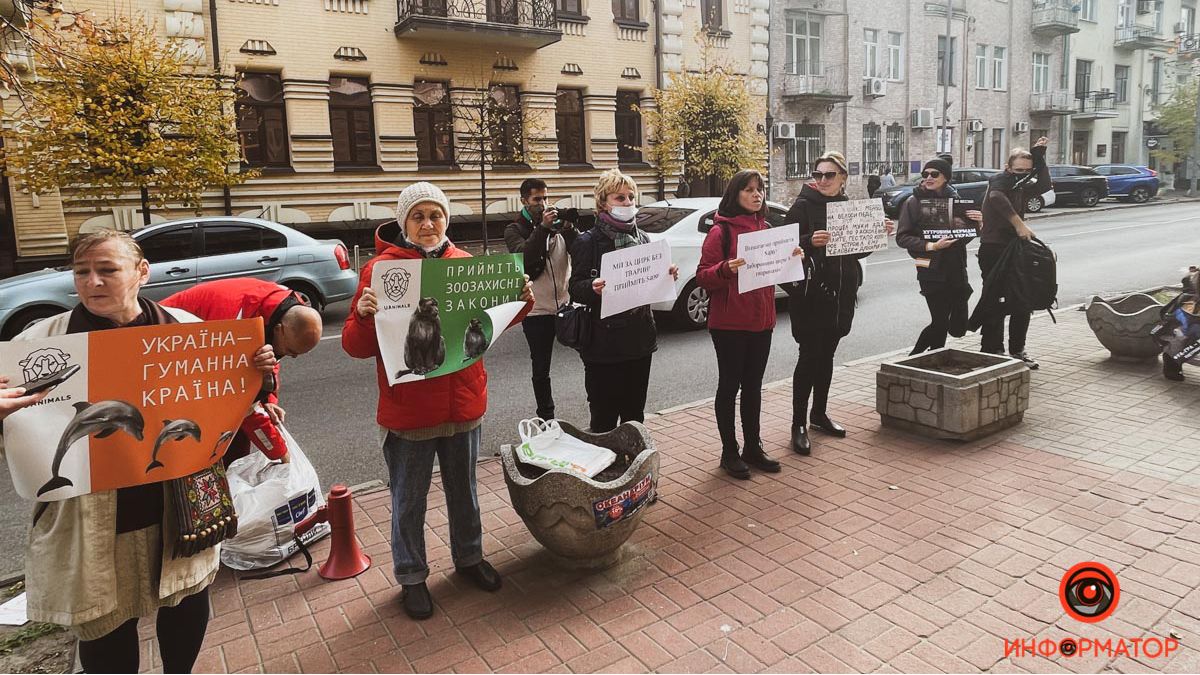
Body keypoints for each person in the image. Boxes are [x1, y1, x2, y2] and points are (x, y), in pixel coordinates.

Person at [0, 230, 276, 673]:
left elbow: (226, 410)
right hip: (92, 517)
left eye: (107, 270)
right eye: (82, 272)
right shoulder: (38, 344)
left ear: (141, 273)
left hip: (176, 506)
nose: (92, 282)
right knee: (104, 626)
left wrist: (255, 373)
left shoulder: (186, 331)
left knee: (186, 601)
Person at [342, 182, 533, 621]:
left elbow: (488, 327)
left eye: (435, 215)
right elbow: (355, 346)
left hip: (463, 402)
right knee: (409, 499)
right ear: (404, 222)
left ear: (446, 220)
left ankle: (469, 559)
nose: (428, 224)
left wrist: (520, 303)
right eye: (418, 216)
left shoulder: (465, 265)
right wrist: (364, 316)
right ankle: (412, 577)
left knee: (464, 491)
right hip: (410, 410)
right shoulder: (380, 271)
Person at [783, 152, 894, 455]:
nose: (821, 180)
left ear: (843, 177)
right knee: (808, 358)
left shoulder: (848, 208)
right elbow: (782, 251)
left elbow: (854, 254)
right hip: (811, 299)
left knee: (828, 355)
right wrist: (808, 242)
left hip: (841, 297)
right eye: (817, 174)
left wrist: (875, 235)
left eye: (828, 175)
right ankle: (798, 423)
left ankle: (819, 414)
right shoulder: (803, 206)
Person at [695, 169, 802, 479]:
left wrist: (794, 257)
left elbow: (779, 273)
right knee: (729, 386)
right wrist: (725, 269)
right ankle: (729, 451)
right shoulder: (721, 232)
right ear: (735, 195)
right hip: (729, 324)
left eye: (760, 190)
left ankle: (752, 447)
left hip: (761, 320)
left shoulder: (767, 228)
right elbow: (704, 276)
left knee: (753, 387)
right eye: (749, 190)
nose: (758, 195)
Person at [162, 278, 324, 463]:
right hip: (164, 350)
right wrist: (282, 456)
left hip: (195, 347)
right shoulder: (237, 327)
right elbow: (243, 403)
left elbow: (270, 357)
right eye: (291, 351)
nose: (293, 357)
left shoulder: (287, 309)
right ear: (279, 330)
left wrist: (269, 399)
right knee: (210, 442)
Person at [568, 169, 677, 433]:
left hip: (639, 340)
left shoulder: (643, 238)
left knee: (634, 416)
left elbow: (650, 284)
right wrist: (592, 287)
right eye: (620, 198)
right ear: (603, 202)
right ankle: (606, 471)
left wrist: (667, 275)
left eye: (631, 198)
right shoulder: (588, 241)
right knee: (604, 419)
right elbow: (575, 288)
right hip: (603, 345)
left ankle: (633, 469)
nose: (628, 204)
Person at [503, 178, 577, 421]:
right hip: (536, 312)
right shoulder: (515, 229)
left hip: (565, 306)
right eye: (537, 199)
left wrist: (571, 229)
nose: (543, 203)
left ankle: (594, 403)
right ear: (524, 200)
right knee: (541, 368)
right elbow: (523, 257)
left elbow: (581, 250)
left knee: (590, 352)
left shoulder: (556, 225)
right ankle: (546, 417)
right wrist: (542, 229)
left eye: (545, 198)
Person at [976, 136, 1051, 369]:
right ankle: (993, 350)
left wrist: (1039, 159)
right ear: (1008, 168)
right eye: (1018, 170)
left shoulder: (1023, 185)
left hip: (1018, 250)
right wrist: (1018, 224)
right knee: (996, 300)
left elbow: (1045, 185)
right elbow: (997, 197)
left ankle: (1017, 350)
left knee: (1022, 301)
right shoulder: (999, 180)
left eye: (1027, 171)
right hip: (993, 248)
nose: (1022, 175)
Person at [895, 157, 984, 354]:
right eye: (925, 174)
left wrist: (978, 225)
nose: (928, 177)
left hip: (956, 267)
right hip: (929, 268)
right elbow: (902, 238)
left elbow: (962, 237)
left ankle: (932, 357)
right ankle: (916, 358)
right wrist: (932, 246)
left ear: (945, 178)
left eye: (934, 174)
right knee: (940, 320)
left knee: (954, 326)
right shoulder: (913, 201)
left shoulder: (956, 199)